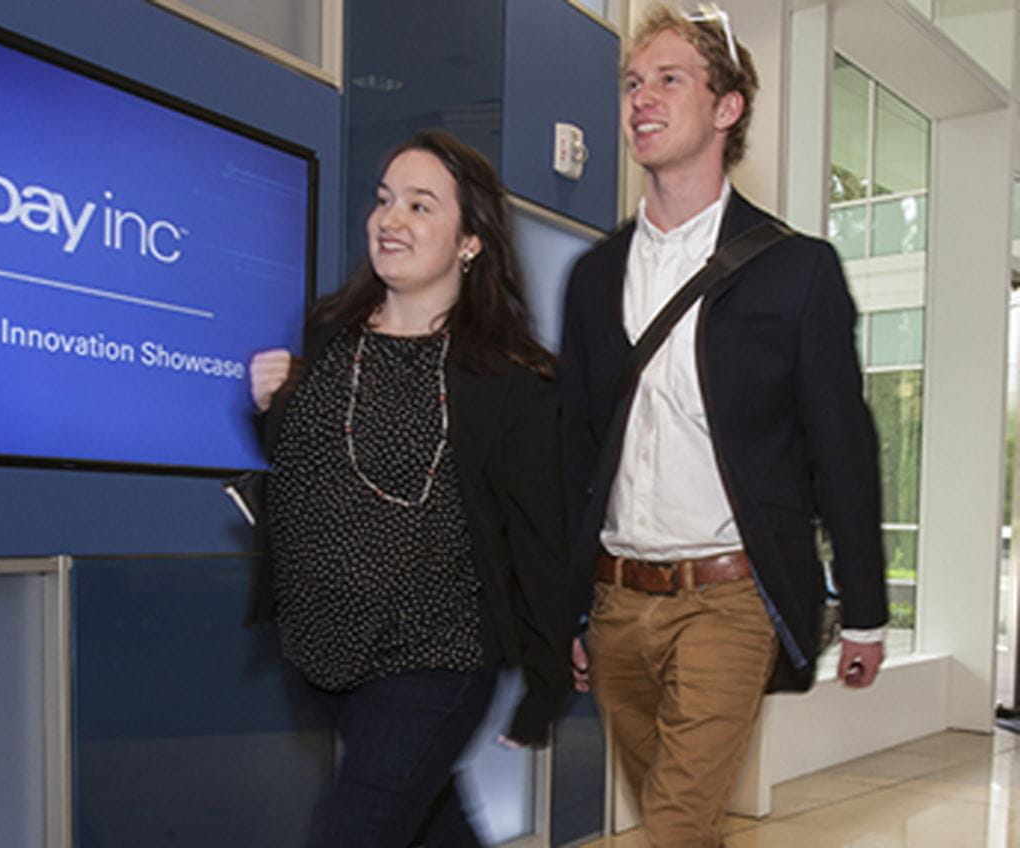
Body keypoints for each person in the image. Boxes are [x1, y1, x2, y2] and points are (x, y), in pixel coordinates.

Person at [560, 5, 889, 846]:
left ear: (727, 107)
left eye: (670, 80)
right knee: (685, 825)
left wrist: (864, 610)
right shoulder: (595, 276)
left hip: (730, 600)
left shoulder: (796, 269)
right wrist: (567, 610)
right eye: (634, 83)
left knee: (668, 831)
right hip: (616, 601)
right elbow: (575, 450)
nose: (642, 99)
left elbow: (842, 447)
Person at [247, 129, 569, 848]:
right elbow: (309, 474)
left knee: (355, 830)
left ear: (470, 241)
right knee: (426, 825)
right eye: (386, 200)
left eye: (421, 206)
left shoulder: (508, 381)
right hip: (327, 653)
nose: (391, 220)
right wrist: (273, 409)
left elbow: (541, 536)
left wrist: (548, 680)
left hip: (437, 655)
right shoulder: (330, 335)